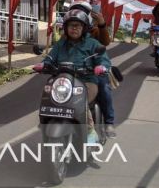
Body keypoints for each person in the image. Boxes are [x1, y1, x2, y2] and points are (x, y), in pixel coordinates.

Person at [34, 9, 111, 143]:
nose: (74, 29)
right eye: (71, 25)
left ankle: (90, 131)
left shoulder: (92, 44)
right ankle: (45, 123)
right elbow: (50, 58)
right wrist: (43, 64)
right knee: (48, 95)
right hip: (63, 81)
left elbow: (102, 58)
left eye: (78, 25)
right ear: (66, 27)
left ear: (84, 28)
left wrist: (101, 66)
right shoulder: (60, 44)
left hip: (86, 81)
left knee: (81, 102)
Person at [68, 0, 116, 137]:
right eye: (75, 11)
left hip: (94, 72)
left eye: (82, 12)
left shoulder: (94, 31)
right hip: (72, 71)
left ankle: (109, 123)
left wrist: (101, 24)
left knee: (104, 89)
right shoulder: (68, 31)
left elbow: (105, 42)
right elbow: (58, 51)